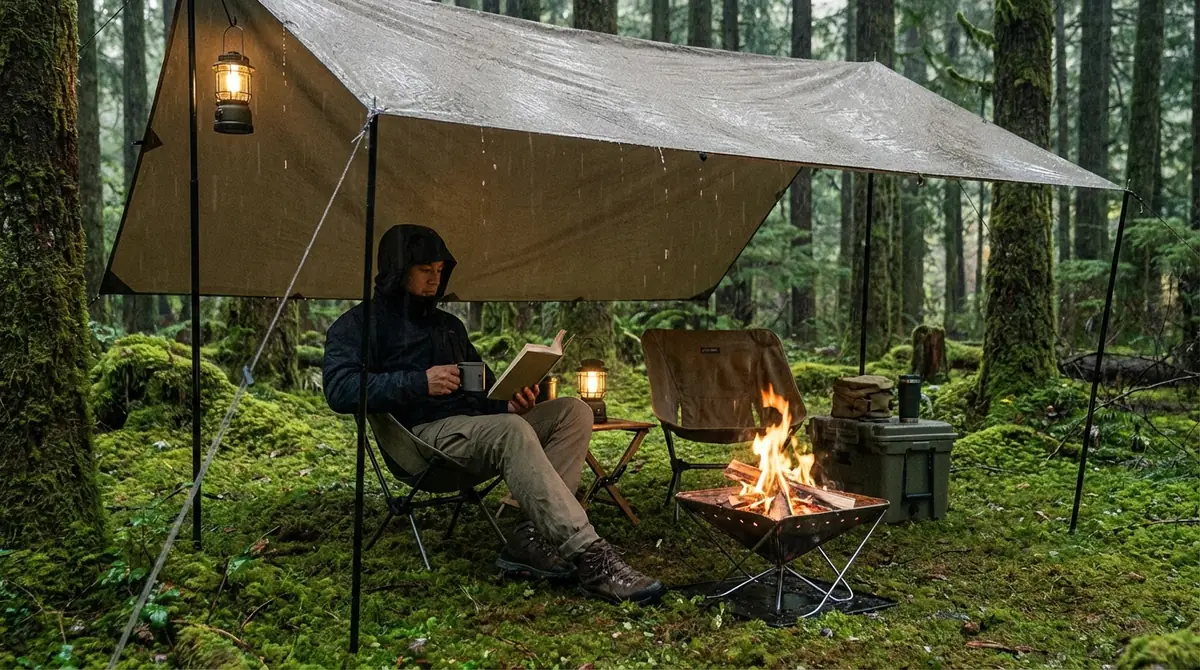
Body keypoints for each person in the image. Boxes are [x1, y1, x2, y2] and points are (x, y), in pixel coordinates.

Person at [322, 224, 665, 605]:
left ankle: (528, 535)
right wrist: (419, 382)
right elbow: (339, 390)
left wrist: (507, 403)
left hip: (477, 432)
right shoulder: (360, 325)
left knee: (574, 411)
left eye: (440, 270)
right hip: (421, 440)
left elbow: (480, 391)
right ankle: (591, 558)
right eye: (425, 270)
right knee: (511, 431)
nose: (435, 278)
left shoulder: (448, 326)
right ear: (396, 269)